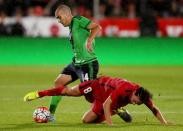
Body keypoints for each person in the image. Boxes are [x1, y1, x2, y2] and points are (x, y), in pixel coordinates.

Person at [24, 76, 168, 125]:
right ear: (135, 93)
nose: (137, 104)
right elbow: (107, 105)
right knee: (69, 92)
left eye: (139, 103)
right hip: (96, 85)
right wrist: (110, 125)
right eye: (137, 101)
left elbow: (154, 109)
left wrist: (164, 123)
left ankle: (116, 109)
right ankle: (40, 93)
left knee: (86, 121)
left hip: (106, 98)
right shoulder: (124, 89)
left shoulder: (143, 95)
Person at [48, 4, 101, 121]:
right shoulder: (71, 27)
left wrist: (89, 40)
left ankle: (113, 106)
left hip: (88, 64)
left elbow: (97, 27)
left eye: (59, 17)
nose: (58, 21)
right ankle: (50, 115)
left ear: (66, 14)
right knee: (58, 83)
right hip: (76, 63)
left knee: (90, 96)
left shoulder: (78, 20)